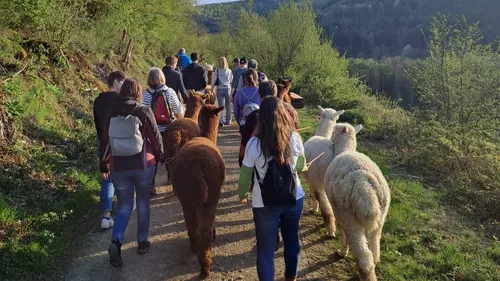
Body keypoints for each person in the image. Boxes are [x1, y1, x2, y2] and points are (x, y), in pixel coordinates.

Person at [238, 96, 306, 281]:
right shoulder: (294, 137)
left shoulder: (254, 143)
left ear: (262, 117)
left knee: (265, 250)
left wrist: (242, 193)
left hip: (264, 203)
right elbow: (300, 167)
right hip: (294, 197)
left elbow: (245, 175)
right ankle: (291, 277)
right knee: (292, 239)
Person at [99, 79, 165, 268]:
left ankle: (116, 241)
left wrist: (103, 164)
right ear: (138, 92)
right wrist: (162, 157)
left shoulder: (111, 112)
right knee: (143, 202)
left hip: (119, 167)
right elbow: (155, 137)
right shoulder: (143, 111)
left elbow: (105, 140)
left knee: (124, 206)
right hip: (143, 165)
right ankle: (142, 242)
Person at [93, 71, 126, 229]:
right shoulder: (121, 100)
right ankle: (124, 206)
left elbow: (97, 125)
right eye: (123, 83)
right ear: (117, 82)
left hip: (103, 142)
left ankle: (106, 217)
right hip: (119, 141)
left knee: (107, 179)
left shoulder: (98, 100)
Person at [142, 67, 183, 194]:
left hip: (152, 132)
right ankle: (173, 180)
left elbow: (142, 113)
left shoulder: (146, 94)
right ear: (162, 77)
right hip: (170, 129)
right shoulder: (170, 92)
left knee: (152, 157)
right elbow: (178, 111)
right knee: (171, 155)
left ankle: (151, 186)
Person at [211, 56, 233, 127]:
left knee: (221, 106)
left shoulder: (217, 70)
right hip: (228, 89)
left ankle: (221, 120)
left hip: (220, 88)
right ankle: (229, 120)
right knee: (228, 105)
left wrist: (211, 89)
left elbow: (214, 80)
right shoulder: (229, 71)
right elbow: (231, 80)